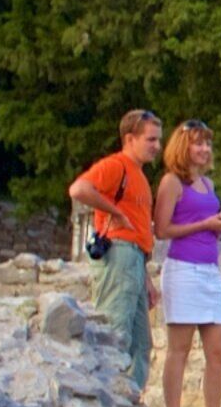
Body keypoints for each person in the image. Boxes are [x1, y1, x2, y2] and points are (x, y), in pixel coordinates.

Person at [66, 109, 161, 388]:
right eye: (151, 140)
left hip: (134, 259)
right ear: (130, 139)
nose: (157, 146)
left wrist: (146, 279)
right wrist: (114, 212)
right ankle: (109, 399)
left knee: (141, 343)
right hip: (119, 253)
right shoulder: (116, 166)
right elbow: (79, 189)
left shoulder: (139, 175)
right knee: (116, 332)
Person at [155, 120, 221, 407]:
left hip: (208, 270)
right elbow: (162, 230)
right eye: (197, 144)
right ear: (183, 147)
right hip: (183, 269)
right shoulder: (172, 182)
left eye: (207, 144)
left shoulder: (209, 185)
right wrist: (204, 223)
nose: (204, 150)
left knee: (218, 350)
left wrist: (219, 226)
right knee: (180, 348)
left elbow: (205, 225)